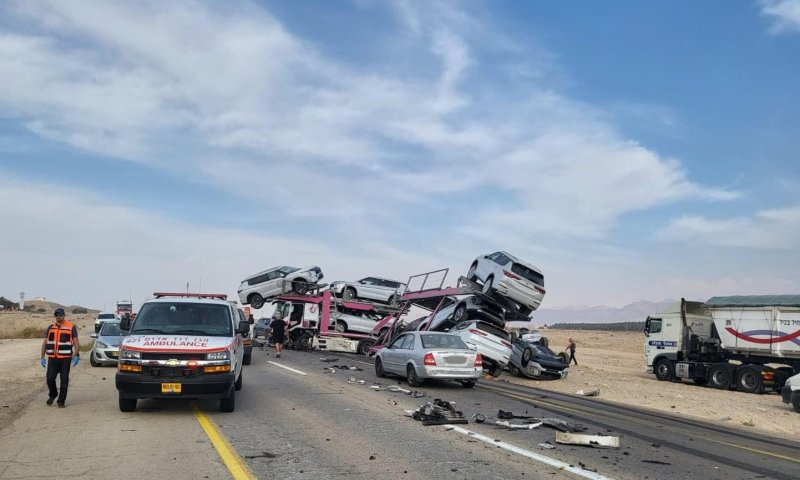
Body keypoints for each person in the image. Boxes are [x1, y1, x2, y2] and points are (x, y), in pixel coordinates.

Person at [40, 308, 80, 407]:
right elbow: (45, 343)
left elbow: (75, 341)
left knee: (64, 380)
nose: (59, 316)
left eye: (60, 315)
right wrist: (42, 357)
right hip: (53, 358)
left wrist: (76, 354)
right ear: (55, 316)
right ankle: (53, 394)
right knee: (50, 378)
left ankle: (61, 401)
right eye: (57, 315)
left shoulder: (71, 327)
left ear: (64, 315)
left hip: (65, 358)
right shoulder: (50, 328)